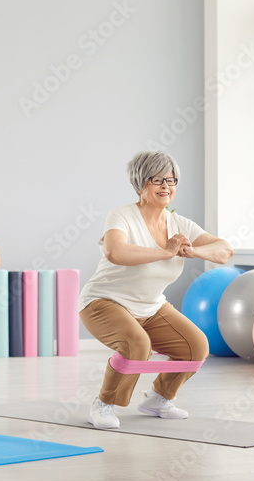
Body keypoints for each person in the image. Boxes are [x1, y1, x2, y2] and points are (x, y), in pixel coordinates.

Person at [79, 151, 233, 429]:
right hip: (103, 302)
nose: (166, 186)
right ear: (141, 185)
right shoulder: (122, 216)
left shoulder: (180, 224)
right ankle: (103, 404)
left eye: (171, 180)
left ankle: (158, 398)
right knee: (137, 344)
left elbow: (224, 250)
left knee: (195, 346)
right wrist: (165, 253)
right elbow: (115, 251)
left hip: (151, 306)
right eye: (157, 180)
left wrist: (194, 250)